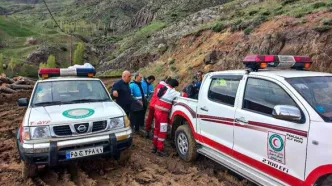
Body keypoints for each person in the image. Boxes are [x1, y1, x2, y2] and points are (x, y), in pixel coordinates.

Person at [152, 79, 180, 157]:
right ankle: (160, 149)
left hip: (156, 111)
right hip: (163, 114)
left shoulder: (163, 87)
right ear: (174, 86)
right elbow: (183, 95)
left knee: (156, 129)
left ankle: (154, 147)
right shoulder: (172, 91)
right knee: (162, 131)